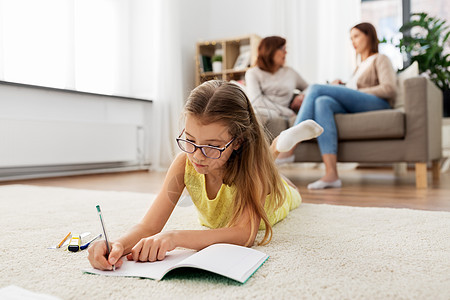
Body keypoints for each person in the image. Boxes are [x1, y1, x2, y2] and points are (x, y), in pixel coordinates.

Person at [87, 80, 323, 270]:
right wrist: (118, 244)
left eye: (212, 145)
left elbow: (244, 234)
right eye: (190, 140)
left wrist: (174, 237)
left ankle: (280, 144)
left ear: (238, 141)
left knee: (276, 177)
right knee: (264, 164)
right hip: (244, 173)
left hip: (276, 196)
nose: (197, 156)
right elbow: (148, 225)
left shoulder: (252, 171)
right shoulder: (184, 164)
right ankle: (278, 146)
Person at [276, 22, 397, 190]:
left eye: (356, 36)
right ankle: (331, 174)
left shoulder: (379, 59)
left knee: (317, 89)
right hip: (359, 102)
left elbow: (389, 88)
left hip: (378, 103)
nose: (353, 41)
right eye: (351, 38)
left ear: (369, 36)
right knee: (321, 102)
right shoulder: (358, 67)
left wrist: (353, 90)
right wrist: (344, 86)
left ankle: (289, 148)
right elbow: (352, 89)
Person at [245, 36, 308, 120]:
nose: (286, 52)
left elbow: (309, 87)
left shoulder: (290, 72)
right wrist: (287, 112)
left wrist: (302, 95)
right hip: (266, 112)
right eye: (282, 49)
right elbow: (257, 102)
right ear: (270, 51)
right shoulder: (252, 73)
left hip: (284, 116)